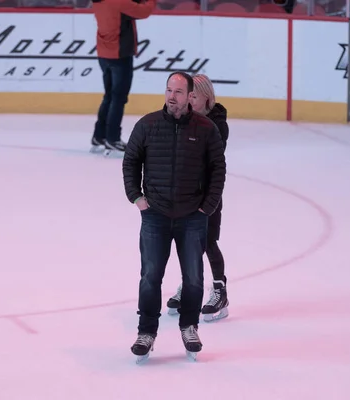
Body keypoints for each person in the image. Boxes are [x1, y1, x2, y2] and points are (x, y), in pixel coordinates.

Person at [122, 71, 226, 361]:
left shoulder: (206, 128)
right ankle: (146, 333)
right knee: (150, 277)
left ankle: (189, 327)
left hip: (193, 216)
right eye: (169, 90)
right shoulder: (148, 125)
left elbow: (218, 168)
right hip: (155, 215)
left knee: (193, 278)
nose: (172, 96)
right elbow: (131, 161)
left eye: (178, 92)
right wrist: (137, 198)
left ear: (190, 95)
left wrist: (208, 206)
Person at [166, 74, 230, 323]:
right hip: (185, 192)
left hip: (209, 194)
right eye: (187, 94)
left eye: (193, 94)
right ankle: (189, 285)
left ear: (206, 97)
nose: (188, 98)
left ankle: (219, 291)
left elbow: (205, 159)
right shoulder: (183, 119)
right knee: (186, 242)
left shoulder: (216, 125)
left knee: (208, 242)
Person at [90, 0, 156, 154]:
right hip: (120, 56)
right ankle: (113, 138)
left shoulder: (99, 2)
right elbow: (143, 12)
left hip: (104, 55)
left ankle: (99, 136)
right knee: (118, 98)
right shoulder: (119, 2)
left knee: (109, 96)